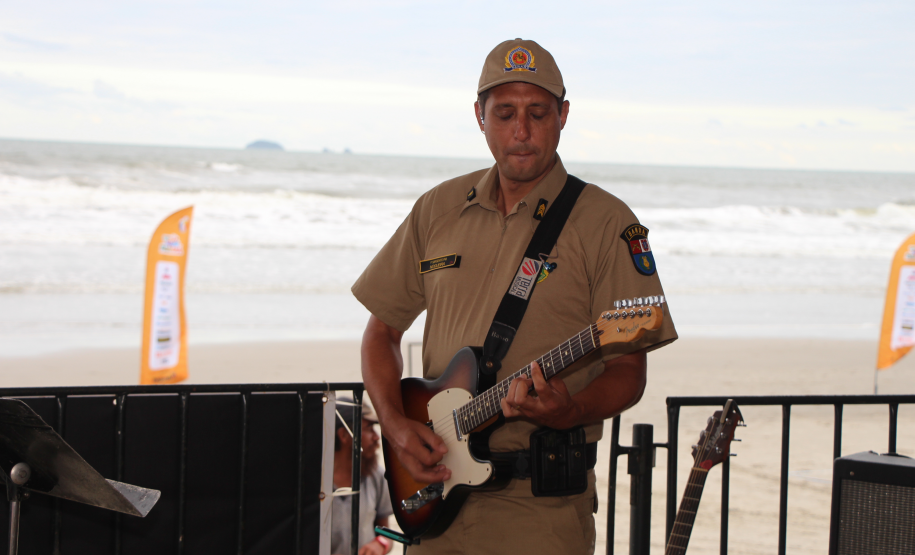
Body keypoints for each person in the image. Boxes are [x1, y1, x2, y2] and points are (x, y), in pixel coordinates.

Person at [352, 38, 678, 555]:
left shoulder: (607, 222)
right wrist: (395, 426)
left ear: (564, 115)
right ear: (479, 117)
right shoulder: (437, 209)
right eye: (504, 113)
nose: (521, 132)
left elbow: (628, 372)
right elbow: (382, 331)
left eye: (538, 113)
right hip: (436, 504)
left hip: (541, 515)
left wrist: (571, 411)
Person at [331, 397, 394, 555]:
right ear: (344, 435)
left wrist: (380, 544)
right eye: (369, 428)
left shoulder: (376, 476)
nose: (376, 437)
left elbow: (386, 532)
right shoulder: (312, 481)